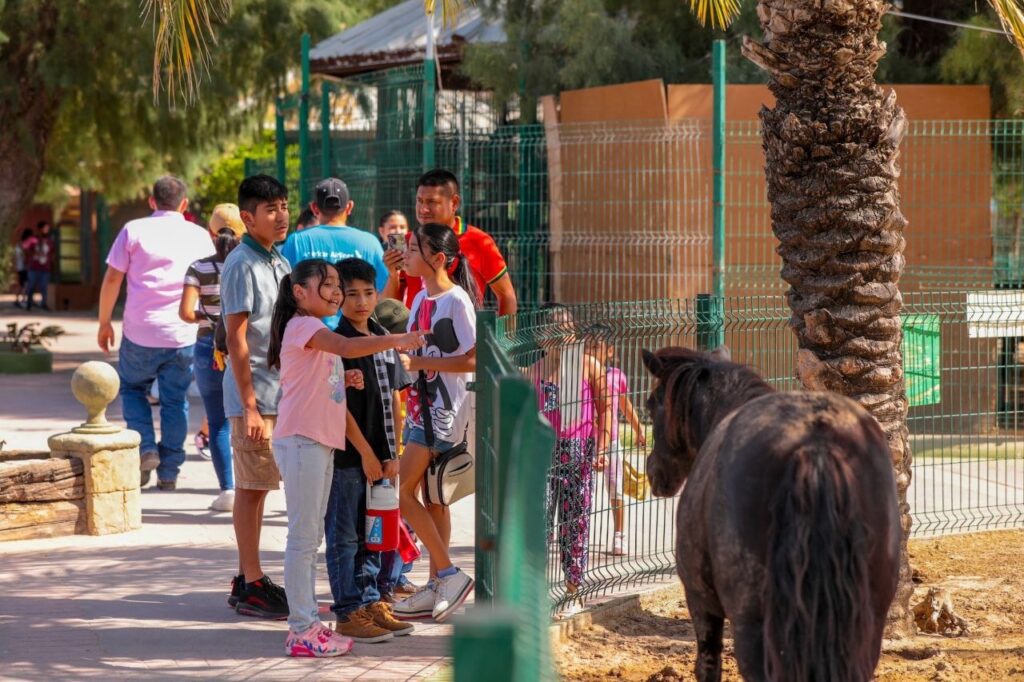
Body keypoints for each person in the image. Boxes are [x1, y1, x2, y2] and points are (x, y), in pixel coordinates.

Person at [267, 258, 426, 656]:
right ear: (300, 292)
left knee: (310, 539)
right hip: (302, 441)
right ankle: (302, 628)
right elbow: (346, 346)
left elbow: (326, 377)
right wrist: (396, 340)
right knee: (304, 541)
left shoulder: (314, 330)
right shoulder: (306, 325)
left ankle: (308, 624)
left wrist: (346, 377)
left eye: (337, 284)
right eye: (328, 285)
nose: (337, 292)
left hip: (318, 442)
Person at [98, 176, 216, 489]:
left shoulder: (133, 230)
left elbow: (112, 278)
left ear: (152, 202)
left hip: (140, 332)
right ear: (185, 204)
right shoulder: (200, 235)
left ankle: (146, 447)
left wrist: (104, 321)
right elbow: (210, 283)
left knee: (132, 389)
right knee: (175, 401)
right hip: (184, 333)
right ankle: (170, 470)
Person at [325, 257, 416, 642]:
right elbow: (338, 407)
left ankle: (372, 602)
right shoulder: (338, 341)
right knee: (345, 535)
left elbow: (393, 401)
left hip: (382, 457)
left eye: (368, 293)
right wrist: (364, 452)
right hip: (349, 457)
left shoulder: (382, 337)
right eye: (351, 294)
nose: (361, 302)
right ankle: (347, 611)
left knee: (374, 533)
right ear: (337, 298)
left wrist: (392, 454)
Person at [391, 223, 478, 623]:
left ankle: (449, 573)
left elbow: (475, 358)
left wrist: (422, 361)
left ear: (438, 259)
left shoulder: (457, 300)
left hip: (442, 411)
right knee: (433, 497)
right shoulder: (420, 296)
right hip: (420, 407)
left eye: (414, 249)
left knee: (403, 492)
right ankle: (436, 584)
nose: (406, 254)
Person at [219, 175, 292, 618]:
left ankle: (252, 575)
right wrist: (249, 406)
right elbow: (237, 338)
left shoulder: (278, 260)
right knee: (251, 488)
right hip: (256, 400)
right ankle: (250, 580)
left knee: (262, 487)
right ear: (247, 217)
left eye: (283, 205)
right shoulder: (241, 263)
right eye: (270, 209)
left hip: (283, 396)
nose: (281, 215)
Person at [528, 303, 611, 607]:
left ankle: (573, 590)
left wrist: (602, 448)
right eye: (554, 328)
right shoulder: (534, 373)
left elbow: (606, 409)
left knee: (575, 525)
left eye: (567, 327)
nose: (562, 334)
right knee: (539, 526)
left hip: (579, 457)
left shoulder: (588, 365)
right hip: (542, 459)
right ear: (540, 336)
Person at [178, 203, 245, 513]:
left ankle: (228, 489)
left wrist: (206, 318)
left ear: (210, 233)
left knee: (217, 421)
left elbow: (185, 313)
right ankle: (254, 483)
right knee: (252, 416)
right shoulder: (248, 266)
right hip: (244, 348)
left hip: (208, 347)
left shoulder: (198, 268)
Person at [381, 169, 517, 316]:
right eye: (419, 201)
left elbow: (507, 296)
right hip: (414, 336)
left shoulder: (480, 241)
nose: (423, 209)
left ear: (454, 203)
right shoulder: (401, 241)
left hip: (462, 335)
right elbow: (389, 309)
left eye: (432, 202)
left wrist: (500, 338)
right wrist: (392, 275)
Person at [280, 177, 388, 329]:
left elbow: (284, 290)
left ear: (314, 208)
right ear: (349, 207)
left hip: (312, 337)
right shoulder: (369, 242)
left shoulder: (296, 241)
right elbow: (383, 291)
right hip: (357, 339)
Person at [584, 323, 646, 557]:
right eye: (587, 347)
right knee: (583, 489)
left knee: (615, 489)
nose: (589, 351)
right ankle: (580, 534)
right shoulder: (582, 373)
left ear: (609, 351)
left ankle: (619, 535)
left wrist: (639, 429)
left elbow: (625, 405)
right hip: (585, 441)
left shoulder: (615, 376)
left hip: (611, 443)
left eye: (595, 347)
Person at [24, 221, 55, 311]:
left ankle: (43, 303)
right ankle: (29, 303)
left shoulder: (49, 241)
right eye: (45, 228)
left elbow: (52, 253)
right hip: (34, 267)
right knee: (31, 285)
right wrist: (33, 253)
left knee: (43, 286)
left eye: (48, 228)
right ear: (40, 229)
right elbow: (25, 249)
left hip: (45, 268)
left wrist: (52, 264)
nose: (47, 230)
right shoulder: (33, 240)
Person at [12, 228, 32, 309]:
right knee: (25, 284)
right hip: (23, 267)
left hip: (20, 267)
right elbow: (24, 256)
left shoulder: (18, 245)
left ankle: (18, 300)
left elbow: (15, 258)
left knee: (22, 284)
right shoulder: (23, 245)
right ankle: (22, 300)